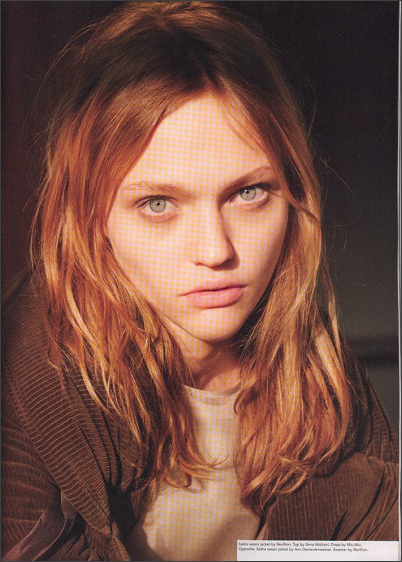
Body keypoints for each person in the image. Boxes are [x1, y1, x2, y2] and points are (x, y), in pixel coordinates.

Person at [1, 2, 398, 561]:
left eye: (248, 193)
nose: (216, 251)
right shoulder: (26, 375)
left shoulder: (321, 377)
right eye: (158, 203)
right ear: (91, 217)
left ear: (293, 196)